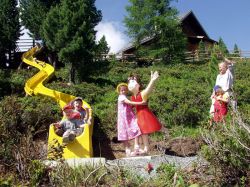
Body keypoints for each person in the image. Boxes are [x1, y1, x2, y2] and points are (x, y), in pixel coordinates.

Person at [128, 71, 162, 154]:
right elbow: (131, 106)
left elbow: (148, 89)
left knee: (143, 132)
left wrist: (152, 81)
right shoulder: (132, 96)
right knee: (138, 130)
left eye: (134, 82)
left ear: (138, 85)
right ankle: (137, 147)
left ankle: (146, 148)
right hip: (139, 115)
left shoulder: (142, 94)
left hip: (144, 114)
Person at [116, 83, 146, 157]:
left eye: (124, 90)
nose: (123, 91)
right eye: (122, 90)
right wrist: (140, 103)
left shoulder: (124, 97)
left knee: (134, 128)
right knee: (126, 132)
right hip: (124, 118)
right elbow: (129, 102)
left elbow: (128, 105)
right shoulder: (121, 97)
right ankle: (129, 149)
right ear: (119, 91)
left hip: (128, 117)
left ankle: (135, 147)